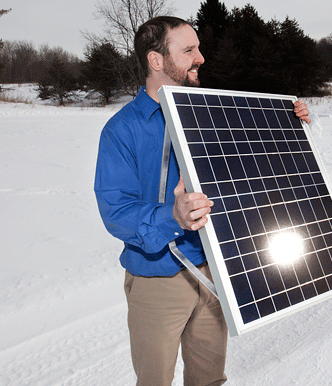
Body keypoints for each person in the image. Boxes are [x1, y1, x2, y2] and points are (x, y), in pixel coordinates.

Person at [94, 16, 311, 386]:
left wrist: (286, 125)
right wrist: (171, 216)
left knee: (210, 378)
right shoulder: (122, 130)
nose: (201, 58)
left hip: (214, 268)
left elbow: (252, 171)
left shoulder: (212, 113)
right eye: (189, 50)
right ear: (156, 60)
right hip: (157, 277)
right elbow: (116, 211)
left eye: (199, 48)